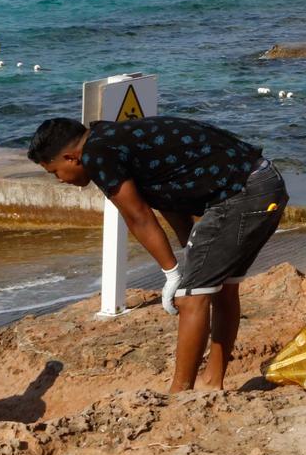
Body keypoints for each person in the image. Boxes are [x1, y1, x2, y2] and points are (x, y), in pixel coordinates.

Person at [28, 113, 286, 392]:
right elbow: (170, 200)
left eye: (54, 172)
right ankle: (211, 382)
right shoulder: (113, 138)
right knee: (218, 288)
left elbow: (138, 216)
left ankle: (179, 393)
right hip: (262, 182)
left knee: (191, 298)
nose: (59, 180)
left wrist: (173, 273)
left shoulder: (97, 154)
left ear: (71, 158)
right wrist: (190, 253)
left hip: (244, 194)